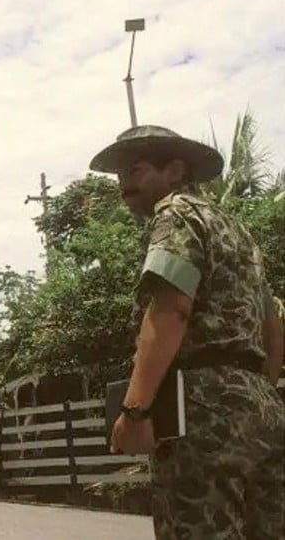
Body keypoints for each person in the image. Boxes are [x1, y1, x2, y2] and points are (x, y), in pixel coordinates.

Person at [90, 124, 284, 539]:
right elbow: (272, 325)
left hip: (199, 409)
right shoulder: (241, 234)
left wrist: (135, 410)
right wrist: (254, 394)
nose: (124, 183)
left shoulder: (176, 214)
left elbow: (170, 311)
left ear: (175, 171)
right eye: (120, 175)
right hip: (262, 411)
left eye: (136, 170)